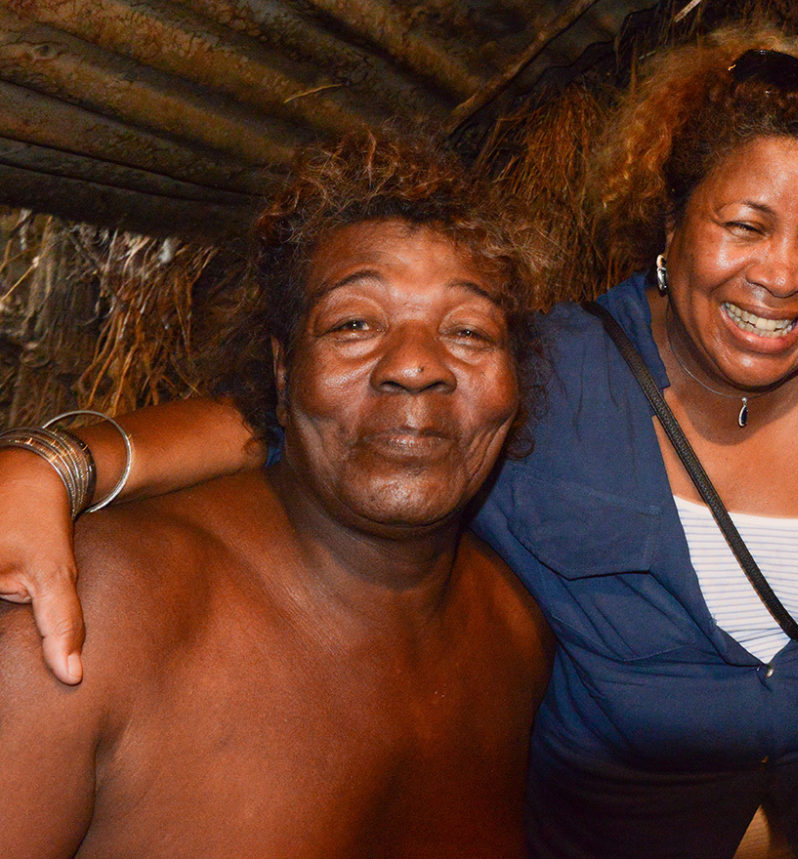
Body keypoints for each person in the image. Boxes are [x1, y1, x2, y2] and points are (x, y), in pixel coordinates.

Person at [0, 27, 798, 858]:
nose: (782, 273)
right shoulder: (543, 369)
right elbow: (308, 416)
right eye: (744, 223)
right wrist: (60, 464)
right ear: (669, 220)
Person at [0, 133, 553, 856]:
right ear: (285, 370)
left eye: (469, 331)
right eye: (355, 324)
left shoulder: (518, 635)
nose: (416, 365)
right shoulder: (85, 616)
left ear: (515, 385)